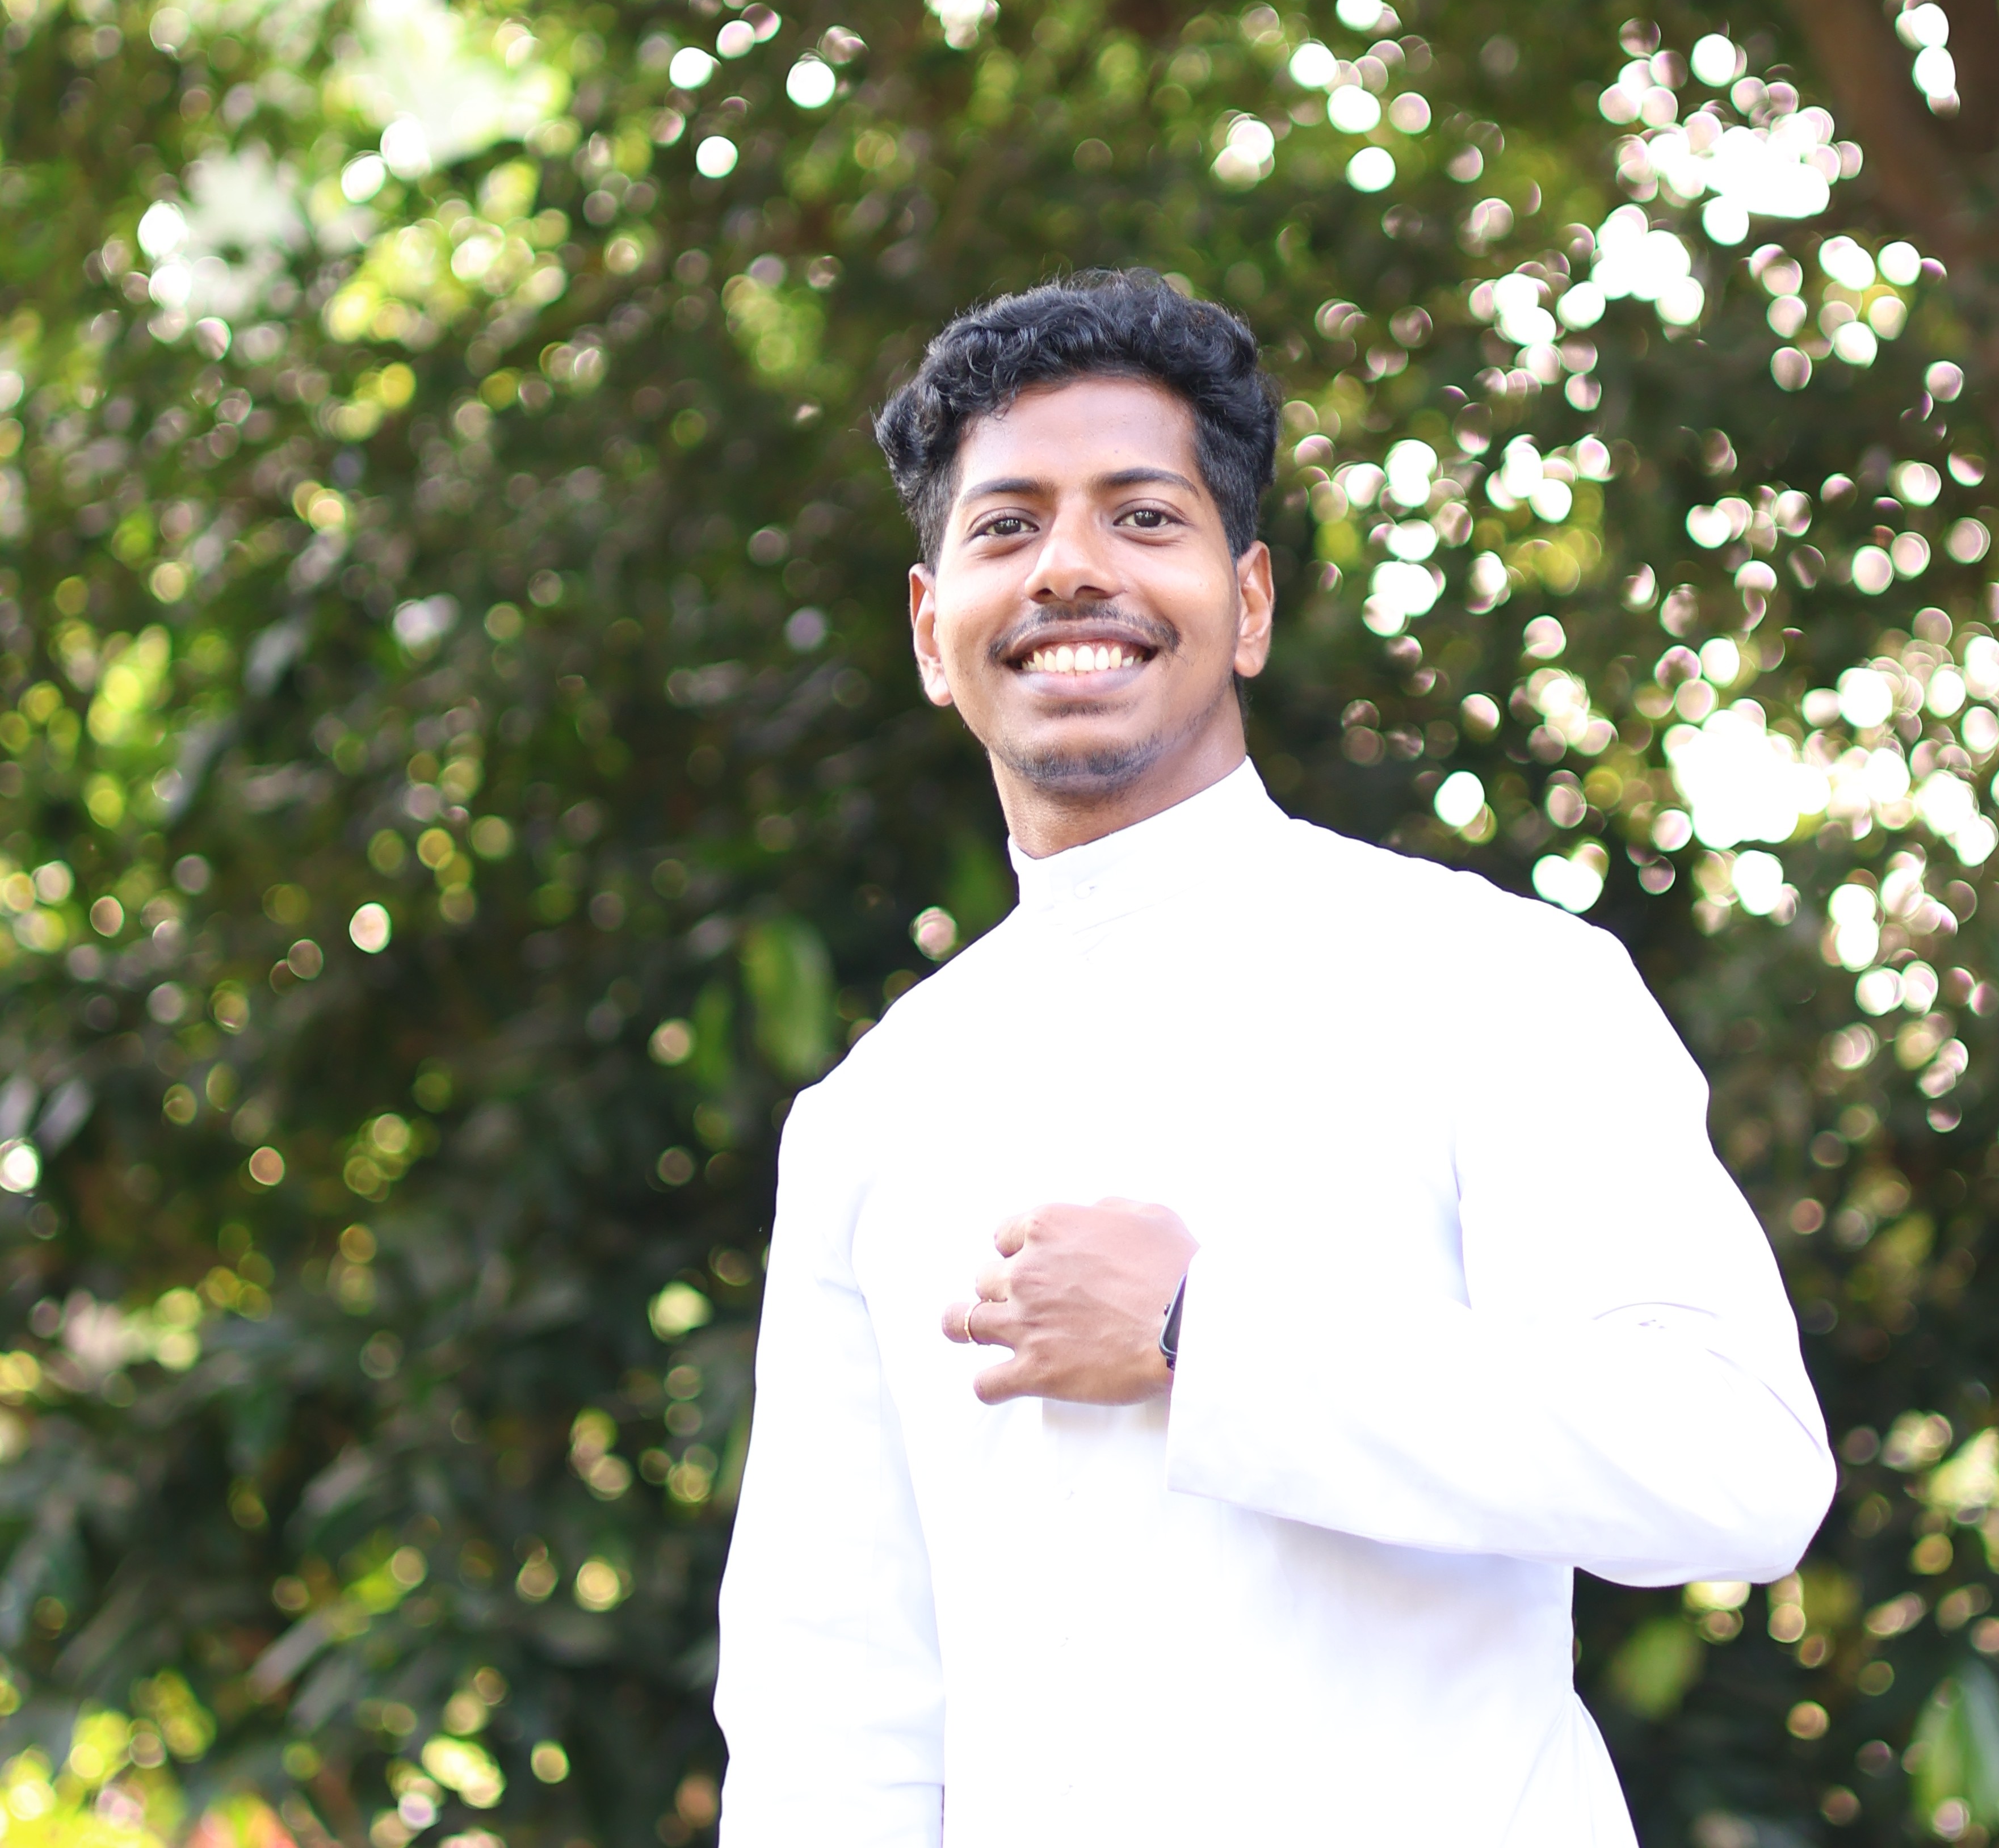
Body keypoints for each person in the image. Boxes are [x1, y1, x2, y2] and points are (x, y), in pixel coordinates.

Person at [713, 271, 1833, 1846]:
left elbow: (1735, 1461)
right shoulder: (868, 1118)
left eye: (1143, 517)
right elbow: (833, 1702)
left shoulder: (1499, 984)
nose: (1071, 568)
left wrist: (1203, 1330)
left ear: (1247, 605)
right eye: (1008, 526)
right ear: (931, 630)